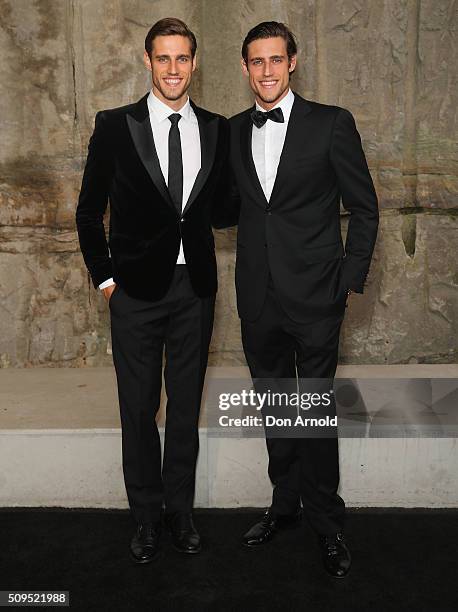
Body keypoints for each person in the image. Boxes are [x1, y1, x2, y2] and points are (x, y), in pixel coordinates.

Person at [219, 21, 379, 578]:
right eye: (255, 62)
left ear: (292, 63)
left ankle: (328, 525)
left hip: (316, 297)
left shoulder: (332, 124)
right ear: (245, 68)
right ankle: (284, 505)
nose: (265, 70)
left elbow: (364, 205)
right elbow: (226, 208)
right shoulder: (234, 131)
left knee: (312, 413)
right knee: (275, 411)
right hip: (257, 297)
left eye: (275, 60)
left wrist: (349, 277)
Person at [76, 17, 229, 564]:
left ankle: (179, 514)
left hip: (196, 290)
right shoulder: (115, 125)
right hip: (135, 292)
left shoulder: (216, 127)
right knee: (138, 410)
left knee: (185, 408)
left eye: (182, 58)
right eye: (162, 58)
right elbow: (89, 211)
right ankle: (144, 517)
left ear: (194, 62)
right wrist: (107, 281)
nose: (173, 68)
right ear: (147, 61)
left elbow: (229, 206)